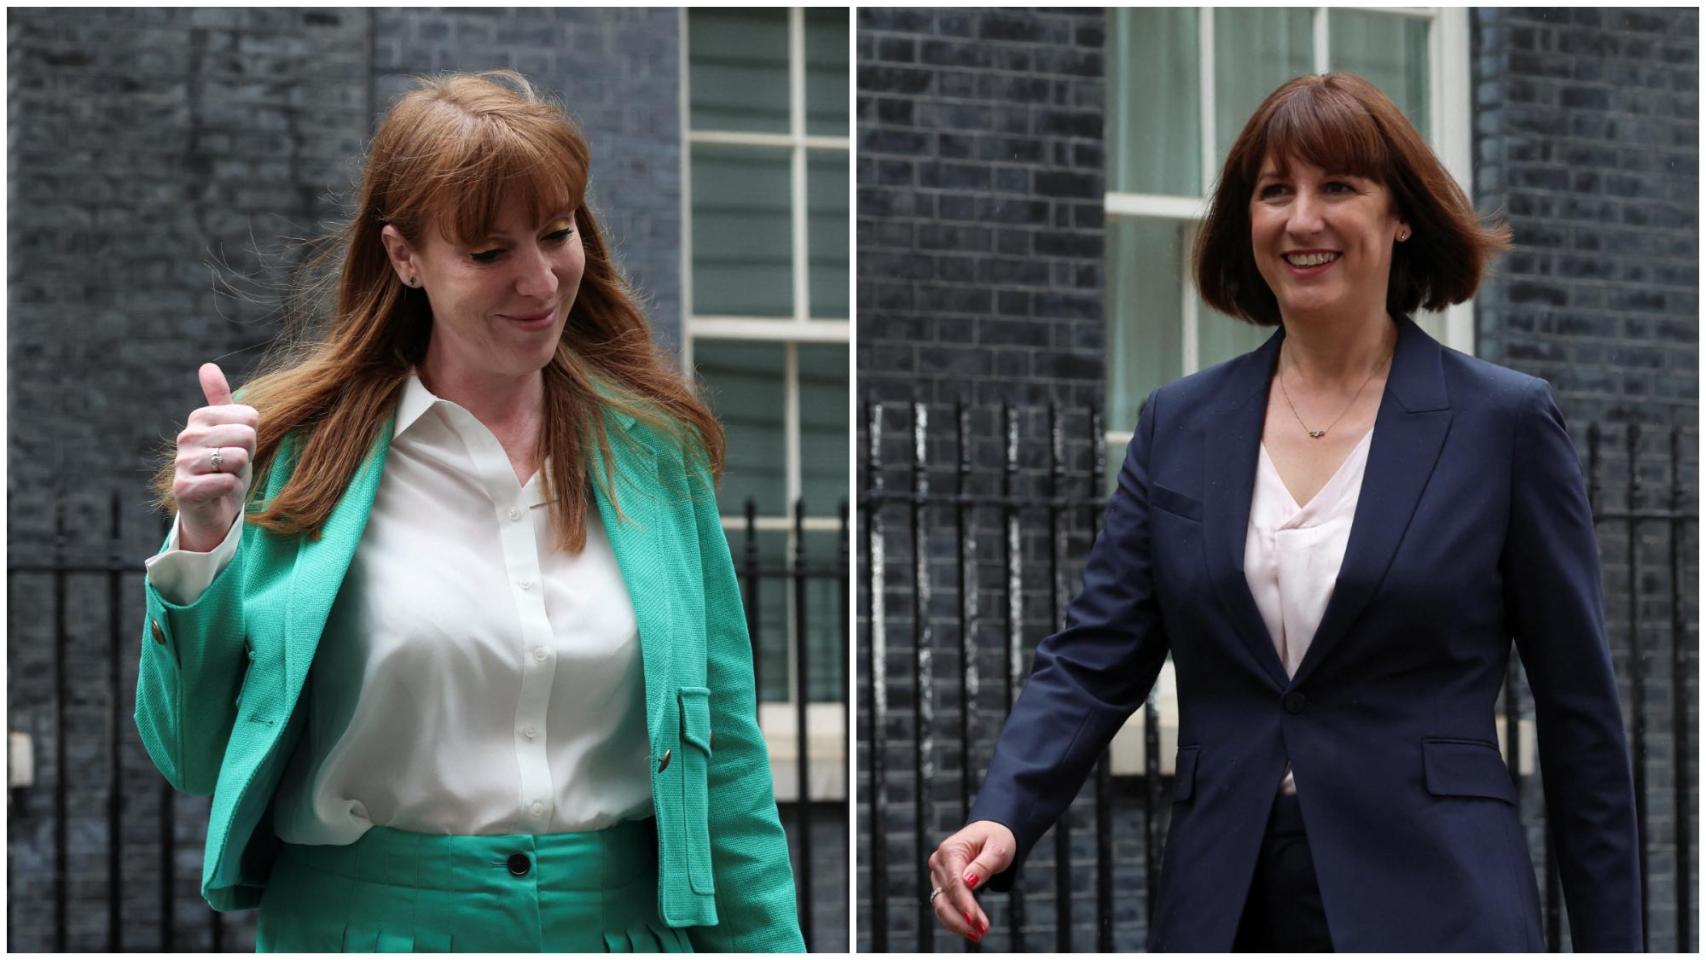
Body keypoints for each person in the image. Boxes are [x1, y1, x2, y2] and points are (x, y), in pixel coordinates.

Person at [927, 72, 1641, 951]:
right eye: (1275, 192)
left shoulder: (1504, 423)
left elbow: (1581, 719)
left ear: (1400, 215)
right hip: (1226, 901)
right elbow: (1093, 659)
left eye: (1338, 186)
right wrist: (1004, 815)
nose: (1302, 219)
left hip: (1440, 900)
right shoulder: (1178, 425)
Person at [137, 70, 804, 952]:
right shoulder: (295, 450)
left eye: (557, 233)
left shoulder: (653, 453)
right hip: (368, 932)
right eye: (489, 253)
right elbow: (188, 752)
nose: (539, 281)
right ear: (404, 257)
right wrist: (203, 542)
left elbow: (725, 759)